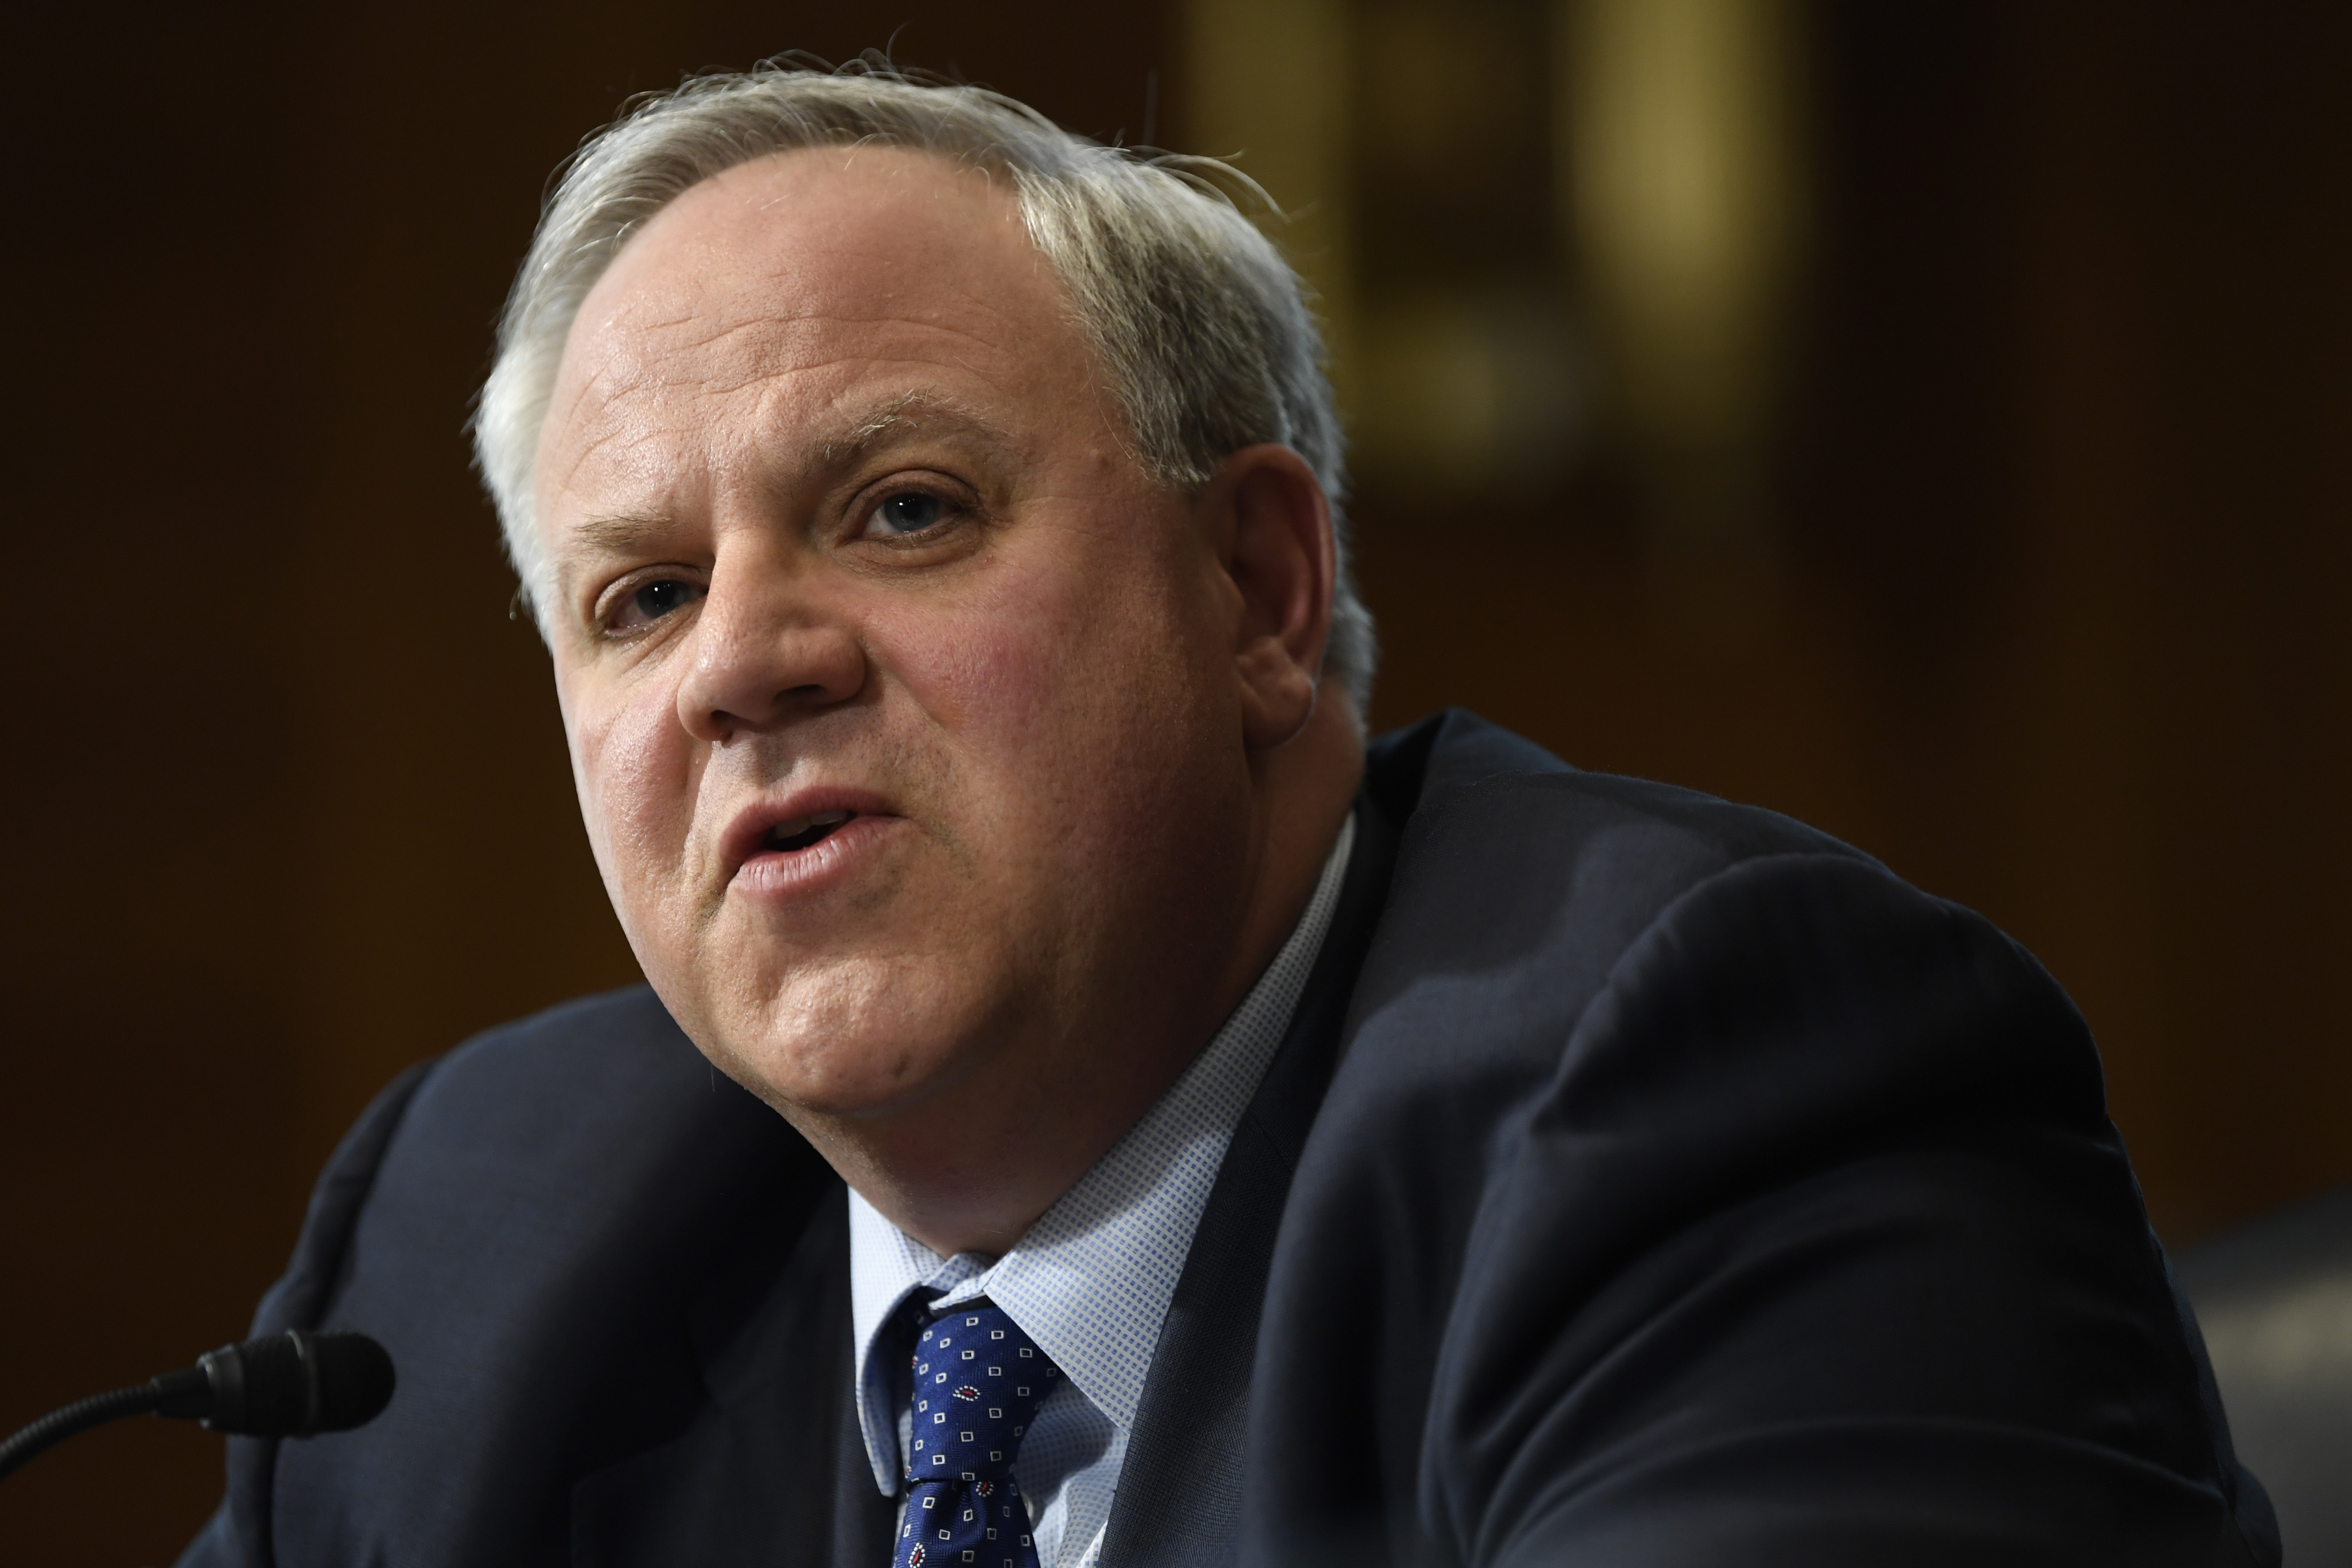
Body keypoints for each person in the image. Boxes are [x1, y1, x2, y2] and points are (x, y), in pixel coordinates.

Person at [177, 63, 2276, 1568]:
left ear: (1257, 591)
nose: (742, 661)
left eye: (902, 511)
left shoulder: (1717, 1088)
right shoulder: (473, 1240)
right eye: (639, 596)